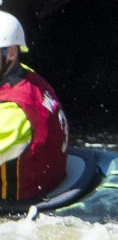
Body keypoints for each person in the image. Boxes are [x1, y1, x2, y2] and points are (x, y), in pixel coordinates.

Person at [0, 11, 69, 203]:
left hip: (17, 208)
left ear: (12, 53)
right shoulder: (27, 76)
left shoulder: (12, 113)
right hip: (49, 178)